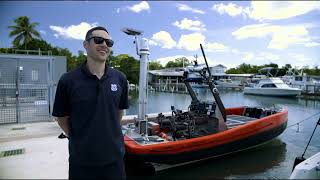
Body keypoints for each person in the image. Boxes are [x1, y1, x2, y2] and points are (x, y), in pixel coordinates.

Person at [52, 26, 129, 179]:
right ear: (85, 45)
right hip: (82, 162)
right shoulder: (68, 80)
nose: (104, 45)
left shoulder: (120, 78)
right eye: (98, 40)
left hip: (114, 160)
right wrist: (80, 138)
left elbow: (119, 113)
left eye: (109, 42)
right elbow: (62, 119)